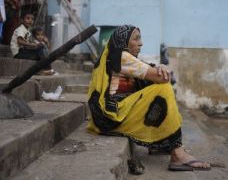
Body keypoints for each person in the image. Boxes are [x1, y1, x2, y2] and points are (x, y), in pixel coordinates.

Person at [87, 25, 211, 173]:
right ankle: (177, 154)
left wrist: (160, 66)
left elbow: (149, 69)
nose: (141, 43)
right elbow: (163, 78)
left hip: (115, 115)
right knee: (163, 89)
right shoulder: (121, 57)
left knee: (154, 88)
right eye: (136, 38)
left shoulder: (120, 57)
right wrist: (163, 69)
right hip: (112, 118)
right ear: (123, 41)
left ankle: (161, 142)